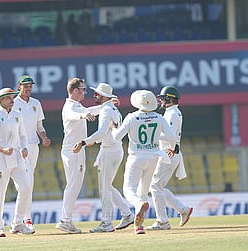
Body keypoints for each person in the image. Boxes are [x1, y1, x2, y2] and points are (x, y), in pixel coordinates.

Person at [112, 90, 177, 235]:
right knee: (143, 191)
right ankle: (138, 226)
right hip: (153, 157)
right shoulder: (159, 118)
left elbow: (116, 137)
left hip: (136, 157)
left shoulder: (131, 117)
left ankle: (139, 206)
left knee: (128, 190)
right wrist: (158, 140)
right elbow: (171, 137)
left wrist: (113, 128)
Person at [73, 83, 133, 233]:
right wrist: (94, 140)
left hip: (109, 151)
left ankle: (106, 222)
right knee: (108, 186)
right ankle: (127, 214)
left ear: (105, 96)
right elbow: (105, 133)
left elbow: (101, 132)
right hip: (113, 149)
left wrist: (83, 142)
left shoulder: (107, 110)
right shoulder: (112, 108)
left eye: (98, 94)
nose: (95, 95)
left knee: (105, 188)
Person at [0, 88, 34, 237]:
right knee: (0, 193)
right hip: (1, 158)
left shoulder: (17, 115)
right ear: (0, 100)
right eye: (8, 98)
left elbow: (23, 135)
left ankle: (17, 223)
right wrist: (1, 149)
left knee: (25, 187)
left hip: (17, 157)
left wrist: (24, 148)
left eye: (12, 97)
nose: (12, 100)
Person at [57, 78, 102, 234]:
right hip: (72, 150)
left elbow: (86, 111)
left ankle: (66, 220)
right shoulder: (69, 106)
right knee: (73, 185)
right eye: (82, 89)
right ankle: (65, 220)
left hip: (77, 149)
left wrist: (105, 106)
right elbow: (74, 115)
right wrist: (84, 116)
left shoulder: (78, 106)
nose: (84, 92)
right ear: (75, 91)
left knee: (74, 185)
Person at [147, 86, 193, 230]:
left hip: (169, 153)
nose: (160, 100)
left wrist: (152, 134)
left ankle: (162, 221)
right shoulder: (170, 113)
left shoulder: (172, 114)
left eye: (163, 98)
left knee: (155, 186)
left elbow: (170, 135)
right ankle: (183, 209)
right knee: (157, 186)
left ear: (170, 98)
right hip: (168, 152)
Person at [13, 75, 51, 231]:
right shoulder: (13, 103)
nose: (28, 88)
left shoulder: (36, 103)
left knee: (30, 181)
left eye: (30, 86)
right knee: (26, 182)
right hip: (20, 147)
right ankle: (26, 218)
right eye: (25, 86)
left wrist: (44, 137)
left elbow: (39, 126)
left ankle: (23, 218)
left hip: (34, 145)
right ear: (19, 87)